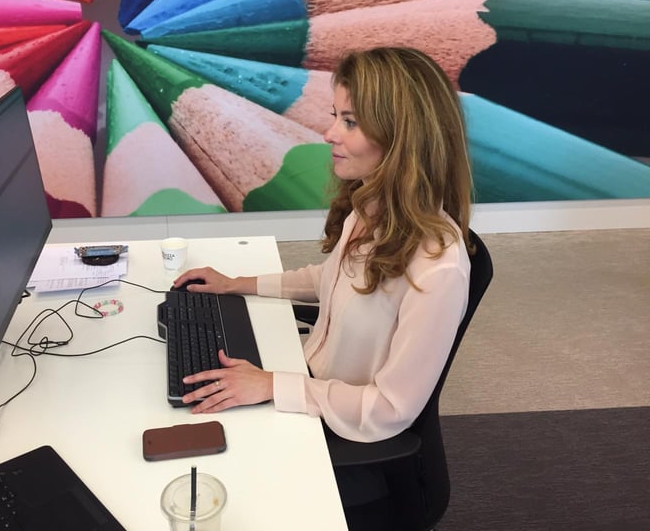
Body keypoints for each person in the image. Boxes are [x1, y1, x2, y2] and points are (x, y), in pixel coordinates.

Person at [172, 46, 474, 521]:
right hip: (314, 384)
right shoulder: (370, 207)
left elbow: (390, 409)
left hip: (350, 434)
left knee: (214, 486)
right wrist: (237, 283)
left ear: (400, 136)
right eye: (336, 116)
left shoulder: (438, 268)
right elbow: (330, 280)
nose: (330, 133)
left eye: (350, 122)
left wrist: (273, 385)